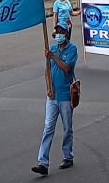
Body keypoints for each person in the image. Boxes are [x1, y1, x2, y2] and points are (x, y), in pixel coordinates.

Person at [32, 21, 78, 176]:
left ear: (67, 34)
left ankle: (67, 156)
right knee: (48, 128)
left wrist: (54, 57)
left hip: (65, 95)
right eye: (57, 31)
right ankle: (42, 162)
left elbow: (67, 68)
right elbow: (47, 71)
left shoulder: (72, 49)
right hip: (52, 96)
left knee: (67, 128)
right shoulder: (51, 48)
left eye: (61, 31)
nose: (59, 34)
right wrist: (48, 88)